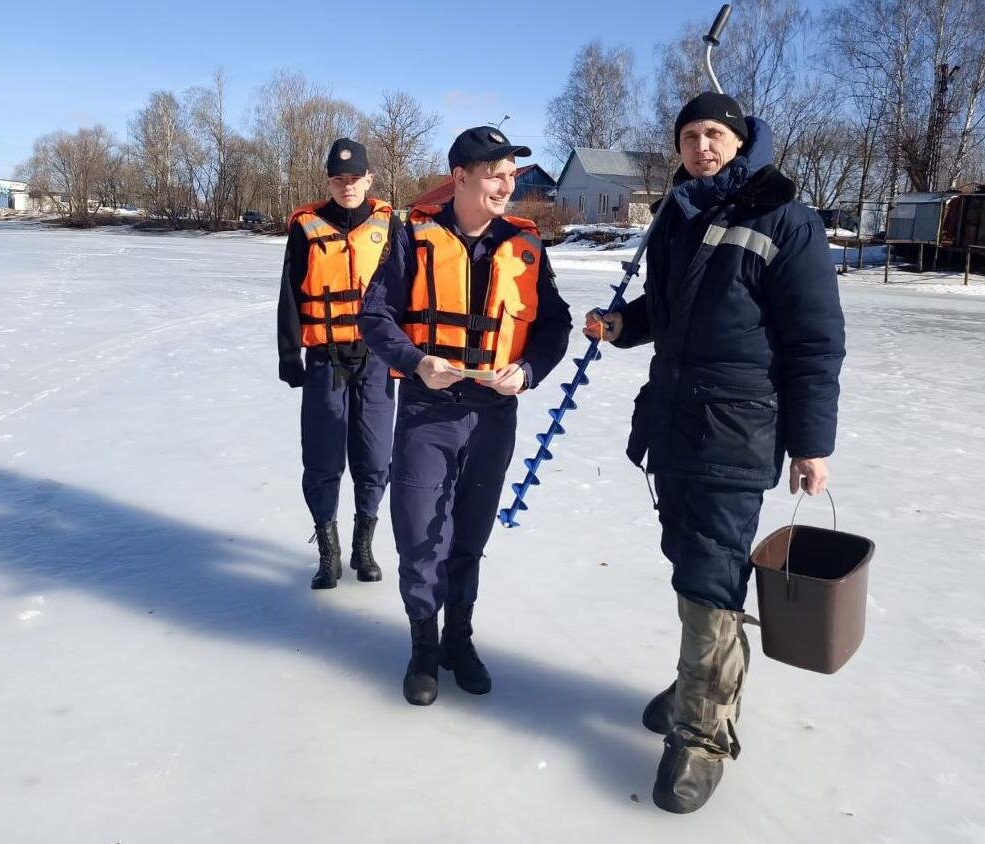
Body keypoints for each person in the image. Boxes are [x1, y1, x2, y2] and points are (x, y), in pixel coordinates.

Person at [585, 92, 846, 813]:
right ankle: (699, 677)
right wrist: (619, 324)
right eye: (690, 135)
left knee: (710, 569)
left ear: (740, 141)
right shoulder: (680, 214)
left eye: (715, 135)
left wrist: (812, 444)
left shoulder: (784, 219)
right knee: (689, 559)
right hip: (672, 422)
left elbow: (815, 342)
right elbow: (666, 313)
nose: (702, 146)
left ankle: (703, 731)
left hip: (738, 426)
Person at [360, 126, 572, 706]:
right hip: (430, 410)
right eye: (494, 174)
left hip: (494, 414)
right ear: (460, 177)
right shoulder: (414, 237)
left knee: (470, 533)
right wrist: (416, 362)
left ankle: (459, 638)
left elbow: (556, 324)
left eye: (511, 175)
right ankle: (423, 645)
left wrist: (528, 371)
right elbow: (375, 319)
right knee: (420, 531)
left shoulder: (526, 245)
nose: (507, 184)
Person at [277, 138, 399, 590]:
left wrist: (410, 353)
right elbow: (290, 294)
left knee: (374, 458)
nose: (347, 186)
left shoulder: (389, 224)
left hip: (377, 360)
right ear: (328, 180)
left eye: (355, 178)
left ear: (369, 178)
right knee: (323, 459)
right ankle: (328, 554)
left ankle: (362, 547)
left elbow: (408, 293)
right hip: (325, 359)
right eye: (338, 178)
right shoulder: (307, 226)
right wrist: (290, 354)